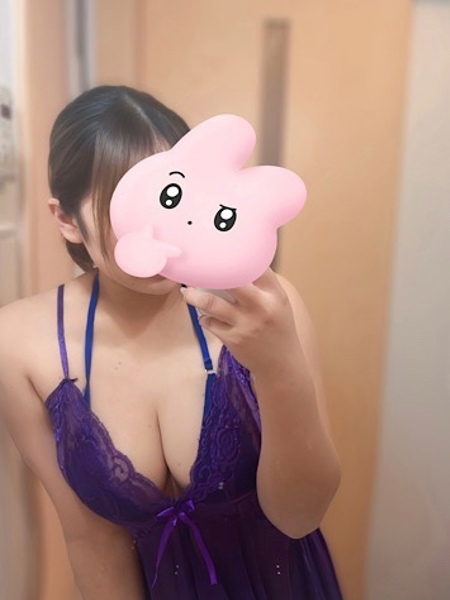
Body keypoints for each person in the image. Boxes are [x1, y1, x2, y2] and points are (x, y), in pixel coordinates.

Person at [0, 85, 343, 599]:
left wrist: (279, 368)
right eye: (127, 202)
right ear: (67, 220)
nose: (164, 228)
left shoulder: (265, 309)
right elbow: (93, 542)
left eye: (172, 192)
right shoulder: (18, 344)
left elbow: (301, 516)